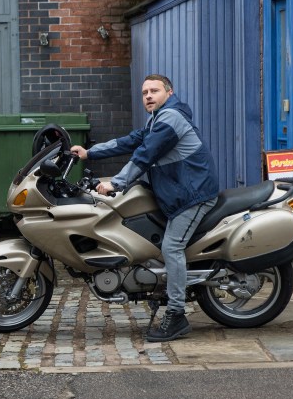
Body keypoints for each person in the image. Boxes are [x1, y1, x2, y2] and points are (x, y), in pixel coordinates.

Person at [71, 74, 218, 342]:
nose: (148, 96)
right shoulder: (156, 120)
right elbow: (130, 141)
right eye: (144, 92)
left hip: (193, 194)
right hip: (178, 192)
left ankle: (176, 316)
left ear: (169, 93)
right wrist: (89, 153)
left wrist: (116, 183)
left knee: (172, 246)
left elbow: (144, 154)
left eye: (154, 91)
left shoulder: (170, 119)